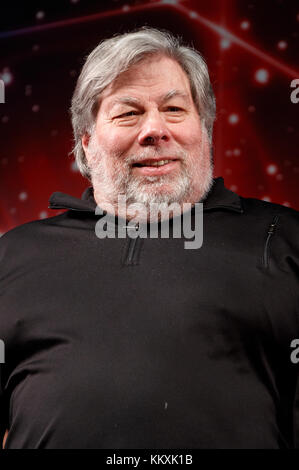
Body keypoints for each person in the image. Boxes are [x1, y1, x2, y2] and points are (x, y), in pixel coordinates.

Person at [0, 27, 298, 449]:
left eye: (175, 109)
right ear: (86, 142)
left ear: (204, 130)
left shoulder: (286, 243)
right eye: (128, 113)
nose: (155, 129)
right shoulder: (11, 258)